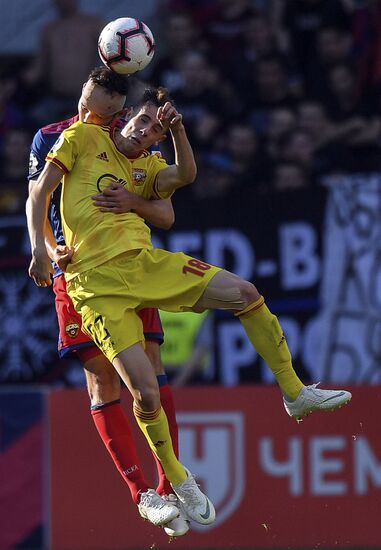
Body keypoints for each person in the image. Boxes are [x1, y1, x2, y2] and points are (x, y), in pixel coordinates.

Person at [27, 85, 352, 520]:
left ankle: (294, 393)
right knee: (142, 392)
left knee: (247, 293)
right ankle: (174, 481)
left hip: (147, 266)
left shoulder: (149, 165)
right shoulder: (82, 138)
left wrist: (176, 134)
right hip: (93, 286)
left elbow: (184, 180)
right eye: (142, 121)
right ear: (124, 117)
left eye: (152, 131)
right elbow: (37, 193)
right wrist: (41, 251)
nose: (144, 132)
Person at [26, 67, 190, 537]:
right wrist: (45, 247)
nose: (107, 112)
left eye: (115, 108)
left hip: (131, 265)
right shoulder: (53, 137)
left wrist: (134, 204)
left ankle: (170, 482)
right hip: (76, 272)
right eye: (99, 100)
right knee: (101, 380)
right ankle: (141, 494)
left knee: (153, 367)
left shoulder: (129, 141)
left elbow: (166, 212)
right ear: (85, 92)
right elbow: (37, 194)